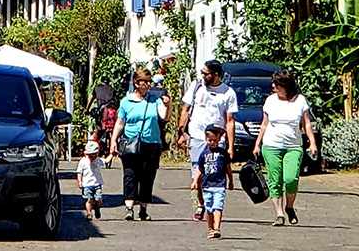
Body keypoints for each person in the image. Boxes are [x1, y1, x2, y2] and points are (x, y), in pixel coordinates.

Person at [253, 69, 318, 227]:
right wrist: (257, 144)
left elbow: (306, 123)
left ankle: (289, 207)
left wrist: (312, 142)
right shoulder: (270, 101)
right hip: (271, 145)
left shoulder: (300, 101)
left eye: (277, 84)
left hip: (293, 146)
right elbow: (264, 124)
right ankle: (279, 214)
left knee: (290, 179)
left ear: (286, 86)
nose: (273, 86)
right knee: (275, 181)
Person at [178, 60, 238, 221]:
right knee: (197, 174)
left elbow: (230, 120)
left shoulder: (228, 93)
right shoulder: (196, 86)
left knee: (215, 173)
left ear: (216, 75)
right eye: (202, 73)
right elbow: (185, 110)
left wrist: (230, 146)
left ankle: (214, 204)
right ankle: (200, 204)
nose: (203, 76)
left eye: (206, 73)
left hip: (218, 139)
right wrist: (181, 133)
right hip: (197, 137)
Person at [109, 67, 170, 221]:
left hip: (151, 143)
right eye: (145, 82)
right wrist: (113, 140)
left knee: (147, 176)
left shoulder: (154, 100)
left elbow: (164, 116)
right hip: (131, 143)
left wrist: (168, 105)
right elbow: (120, 122)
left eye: (149, 82)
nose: (147, 85)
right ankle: (129, 208)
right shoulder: (126, 102)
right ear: (136, 83)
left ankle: (143, 208)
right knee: (130, 174)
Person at [193, 123, 233, 239]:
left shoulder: (223, 154)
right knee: (209, 209)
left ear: (219, 139)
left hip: (219, 185)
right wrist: (195, 181)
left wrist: (230, 180)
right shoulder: (204, 154)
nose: (212, 142)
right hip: (207, 185)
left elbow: (228, 168)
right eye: (210, 140)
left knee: (218, 207)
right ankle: (210, 228)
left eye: (214, 140)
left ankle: (217, 228)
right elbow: (200, 169)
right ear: (206, 139)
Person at [77, 138, 104, 220]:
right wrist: (79, 181)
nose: (92, 158)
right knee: (88, 199)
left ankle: (97, 207)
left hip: (97, 183)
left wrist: (111, 154)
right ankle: (89, 213)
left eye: (94, 156)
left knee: (98, 199)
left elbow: (105, 161)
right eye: (90, 156)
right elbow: (79, 172)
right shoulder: (83, 161)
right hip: (87, 184)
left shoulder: (98, 161)